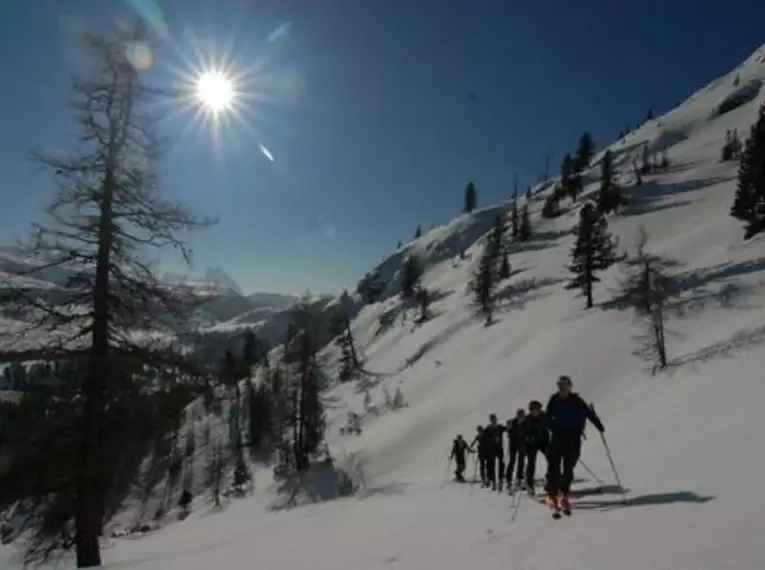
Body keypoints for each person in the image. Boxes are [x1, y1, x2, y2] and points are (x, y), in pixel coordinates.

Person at [544, 375, 604, 511]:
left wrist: (599, 425)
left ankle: (563, 494)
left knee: (568, 466)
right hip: (558, 436)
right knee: (553, 465)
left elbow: (588, 413)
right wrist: (551, 427)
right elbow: (547, 417)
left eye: (564, 385)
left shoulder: (576, 400)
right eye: (559, 385)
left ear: (569, 386)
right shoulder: (554, 399)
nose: (562, 388)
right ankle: (552, 493)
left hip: (573, 437)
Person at [523, 400, 549, 495]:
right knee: (531, 463)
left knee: (552, 459)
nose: (535, 412)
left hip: (543, 441)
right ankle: (529, 484)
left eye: (537, 409)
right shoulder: (527, 419)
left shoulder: (544, 416)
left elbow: (552, 425)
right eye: (533, 410)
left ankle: (550, 481)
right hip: (531, 444)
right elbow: (522, 433)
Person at [483, 413, 506, 491]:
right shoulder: (488, 428)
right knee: (491, 464)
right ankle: (491, 479)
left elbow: (507, 429)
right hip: (491, 449)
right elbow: (484, 438)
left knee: (501, 464)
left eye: (494, 419)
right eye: (492, 419)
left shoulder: (500, 427)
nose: (494, 420)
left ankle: (500, 478)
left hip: (499, 448)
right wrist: (493, 439)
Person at [506, 409, 527, 490]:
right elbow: (509, 433)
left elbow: (527, 432)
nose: (522, 418)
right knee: (512, 460)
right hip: (514, 444)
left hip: (521, 444)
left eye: (523, 416)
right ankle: (509, 478)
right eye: (521, 416)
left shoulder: (525, 423)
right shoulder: (512, 422)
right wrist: (509, 429)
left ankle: (519, 478)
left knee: (521, 461)